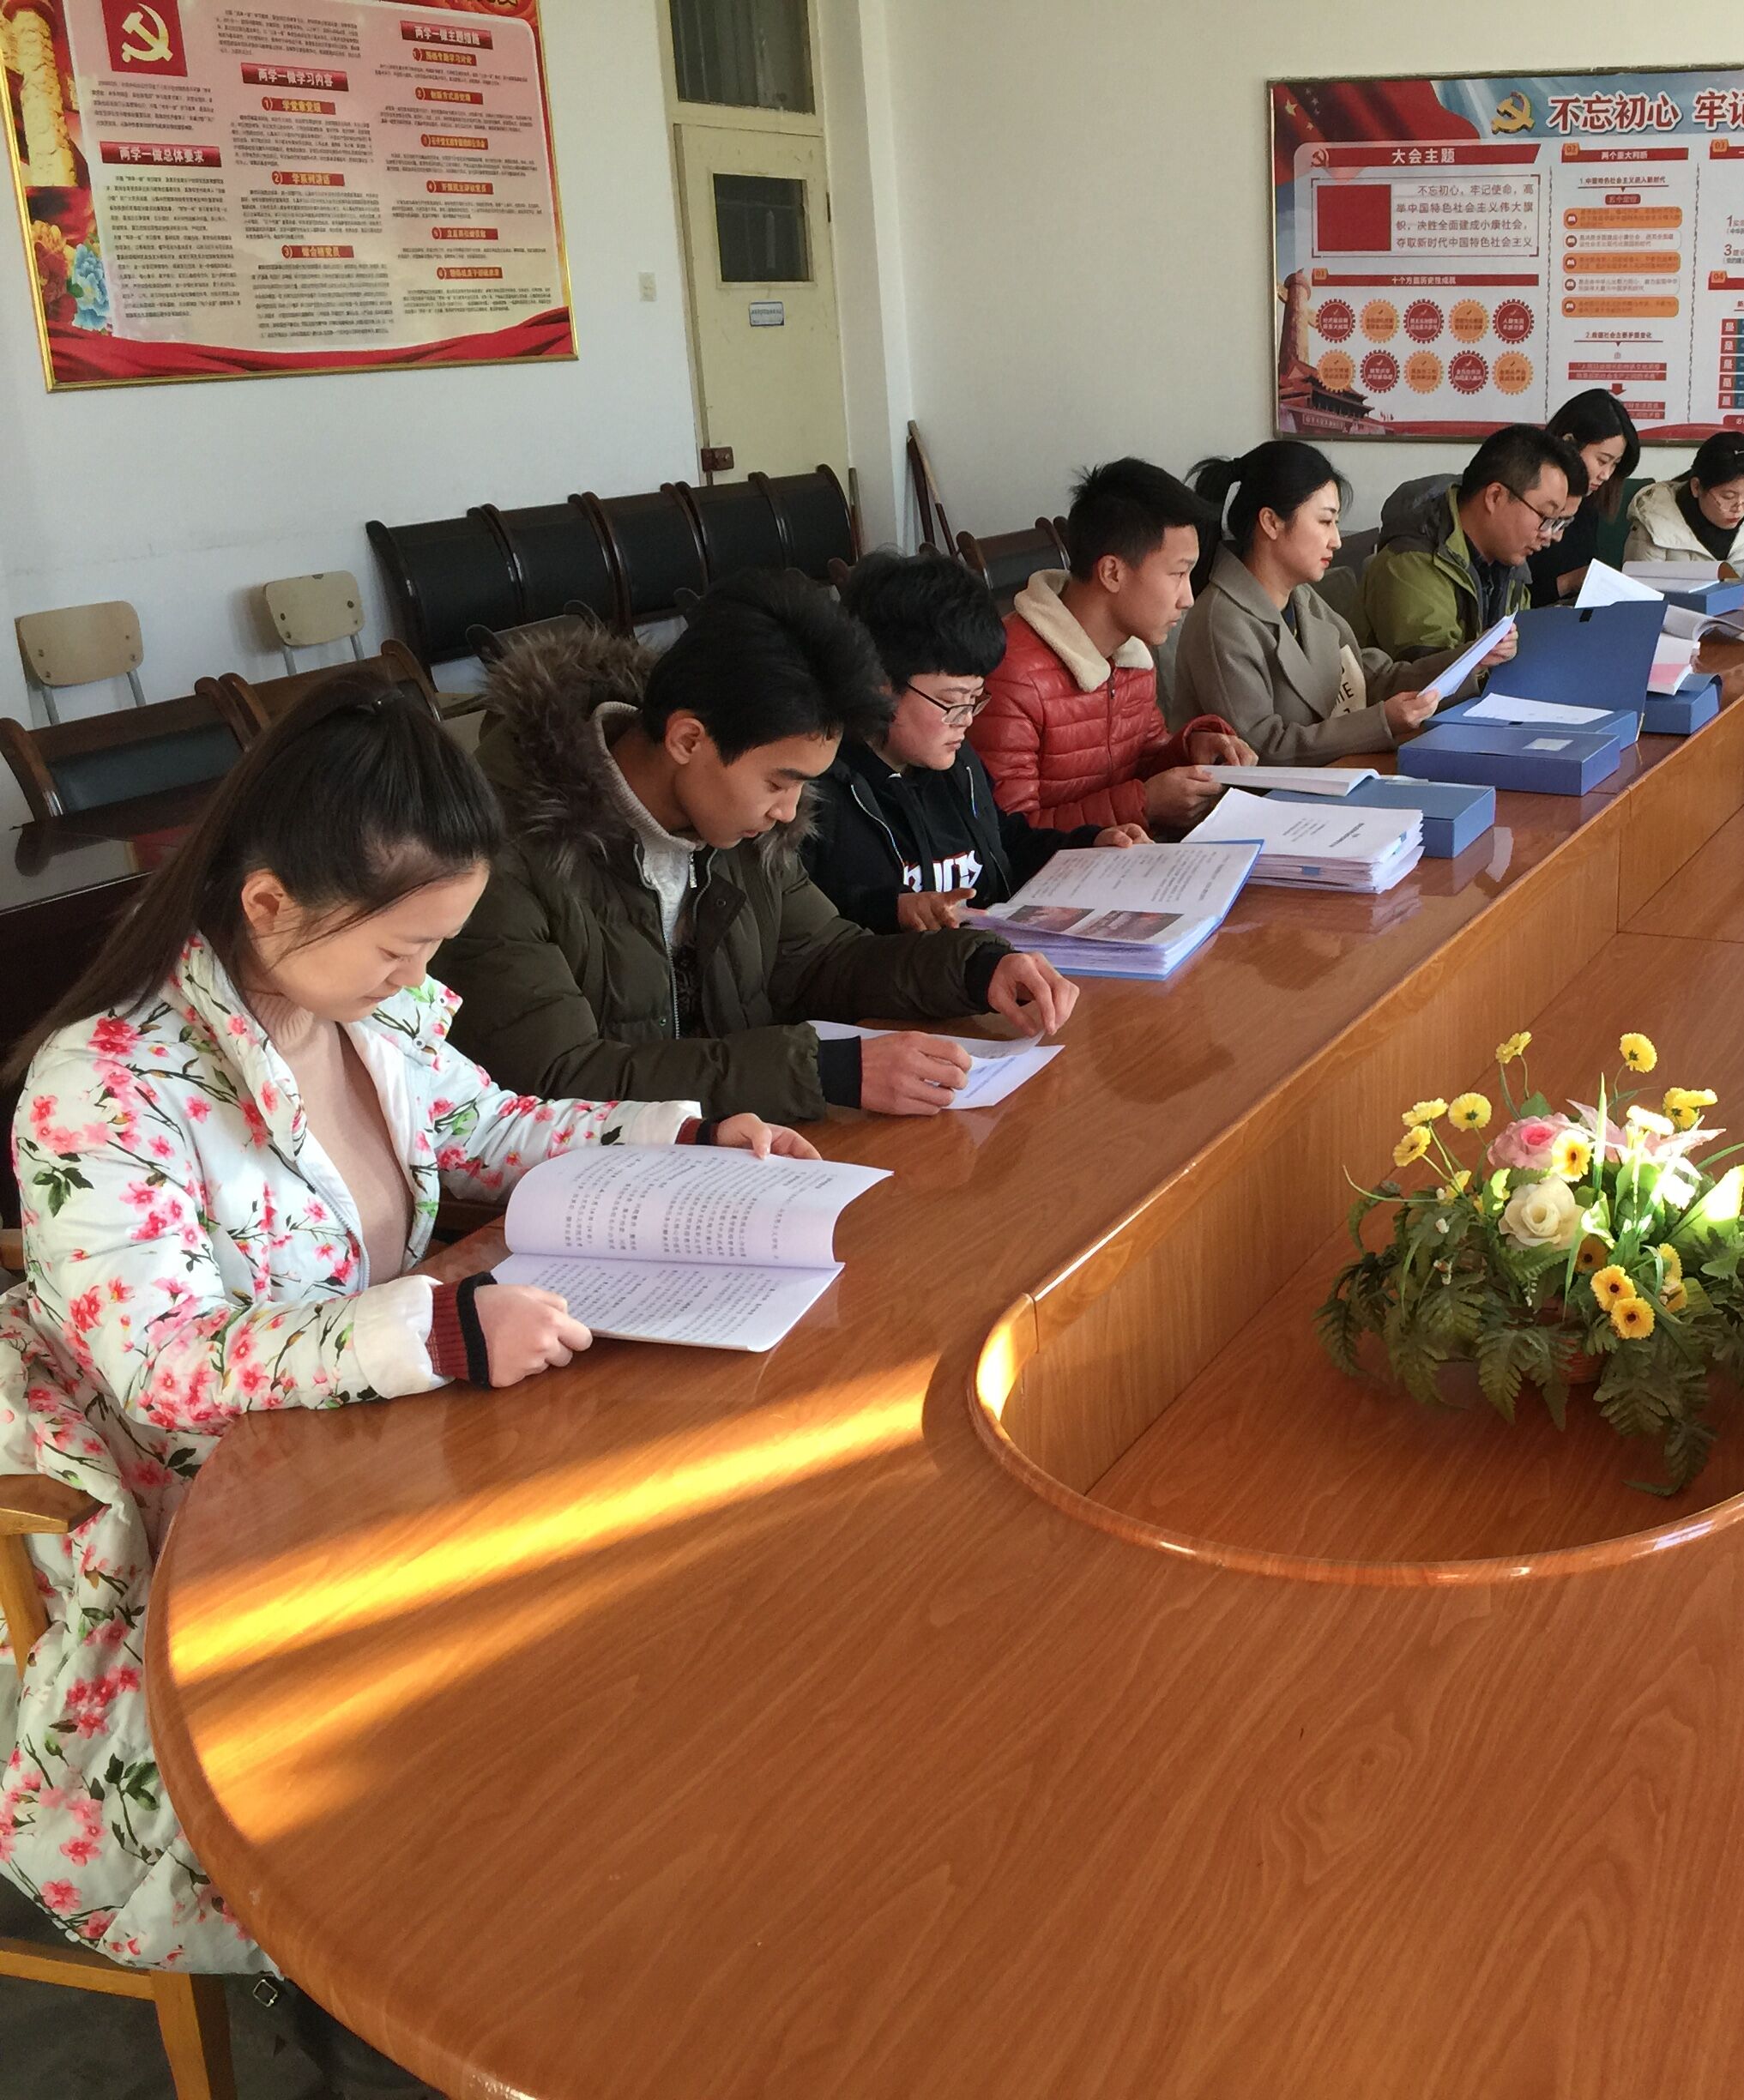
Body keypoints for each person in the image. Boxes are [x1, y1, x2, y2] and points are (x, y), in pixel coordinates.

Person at [0, 677, 817, 1972]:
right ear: (269, 904)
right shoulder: (104, 1086)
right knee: (518, 1708)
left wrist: (686, 1140)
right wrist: (432, 1334)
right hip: (200, 1511)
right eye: (400, 949)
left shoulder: (357, 1007)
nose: (420, 980)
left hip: (365, 1443)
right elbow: (161, 1368)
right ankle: (458, 1965)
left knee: (666, 1588)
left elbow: (488, 1126)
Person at [438, 570, 1076, 1124]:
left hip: (739, 1151)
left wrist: (973, 968)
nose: (788, 812)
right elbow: (558, 1078)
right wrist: (820, 1072)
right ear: (688, 740)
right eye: (778, 782)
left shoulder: (742, 828)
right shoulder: (499, 846)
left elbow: (821, 960)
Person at [809, 550, 1144, 931]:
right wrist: (894, 912)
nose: (967, 719)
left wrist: (1089, 846)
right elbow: (822, 926)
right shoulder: (825, 794)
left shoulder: (957, 766)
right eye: (952, 702)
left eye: (975, 700)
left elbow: (1005, 843)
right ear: (879, 686)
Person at [1171, 441, 1515, 762]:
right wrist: (1381, 722)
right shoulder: (1222, 619)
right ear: (1271, 522)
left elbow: (1374, 678)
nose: (1336, 540)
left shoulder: (1303, 599)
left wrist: (1472, 659)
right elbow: (1261, 750)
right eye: (1325, 521)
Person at [969, 457, 1254, 832]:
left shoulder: (1132, 653)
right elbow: (1009, 836)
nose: (1187, 598)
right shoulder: (1013, 673)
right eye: (1178, 573)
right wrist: (1144, 805)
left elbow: (1143, 761)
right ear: (1112, 572)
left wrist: (1192, 748)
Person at [1361, 424, 1584, 661]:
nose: (1549, 535)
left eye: (1557, 523)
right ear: (1495, 496)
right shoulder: (1410, 563)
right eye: (1545, 516)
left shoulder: (1507, 562)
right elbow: (1432, 674)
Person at [1530, 388, 1643, 602]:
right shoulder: (1527, 498)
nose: (1606, 475)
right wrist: (1569, 582)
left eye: (1615, 464)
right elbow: (1511, 598)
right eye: (1602, 460)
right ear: (1568, 443)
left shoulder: (1588, 503)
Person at [1623, 430, 1744, 581]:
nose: (1739, 508)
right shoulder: (1654, 528)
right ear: (1697, 487)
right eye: (1728, 497)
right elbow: (1639, 592)